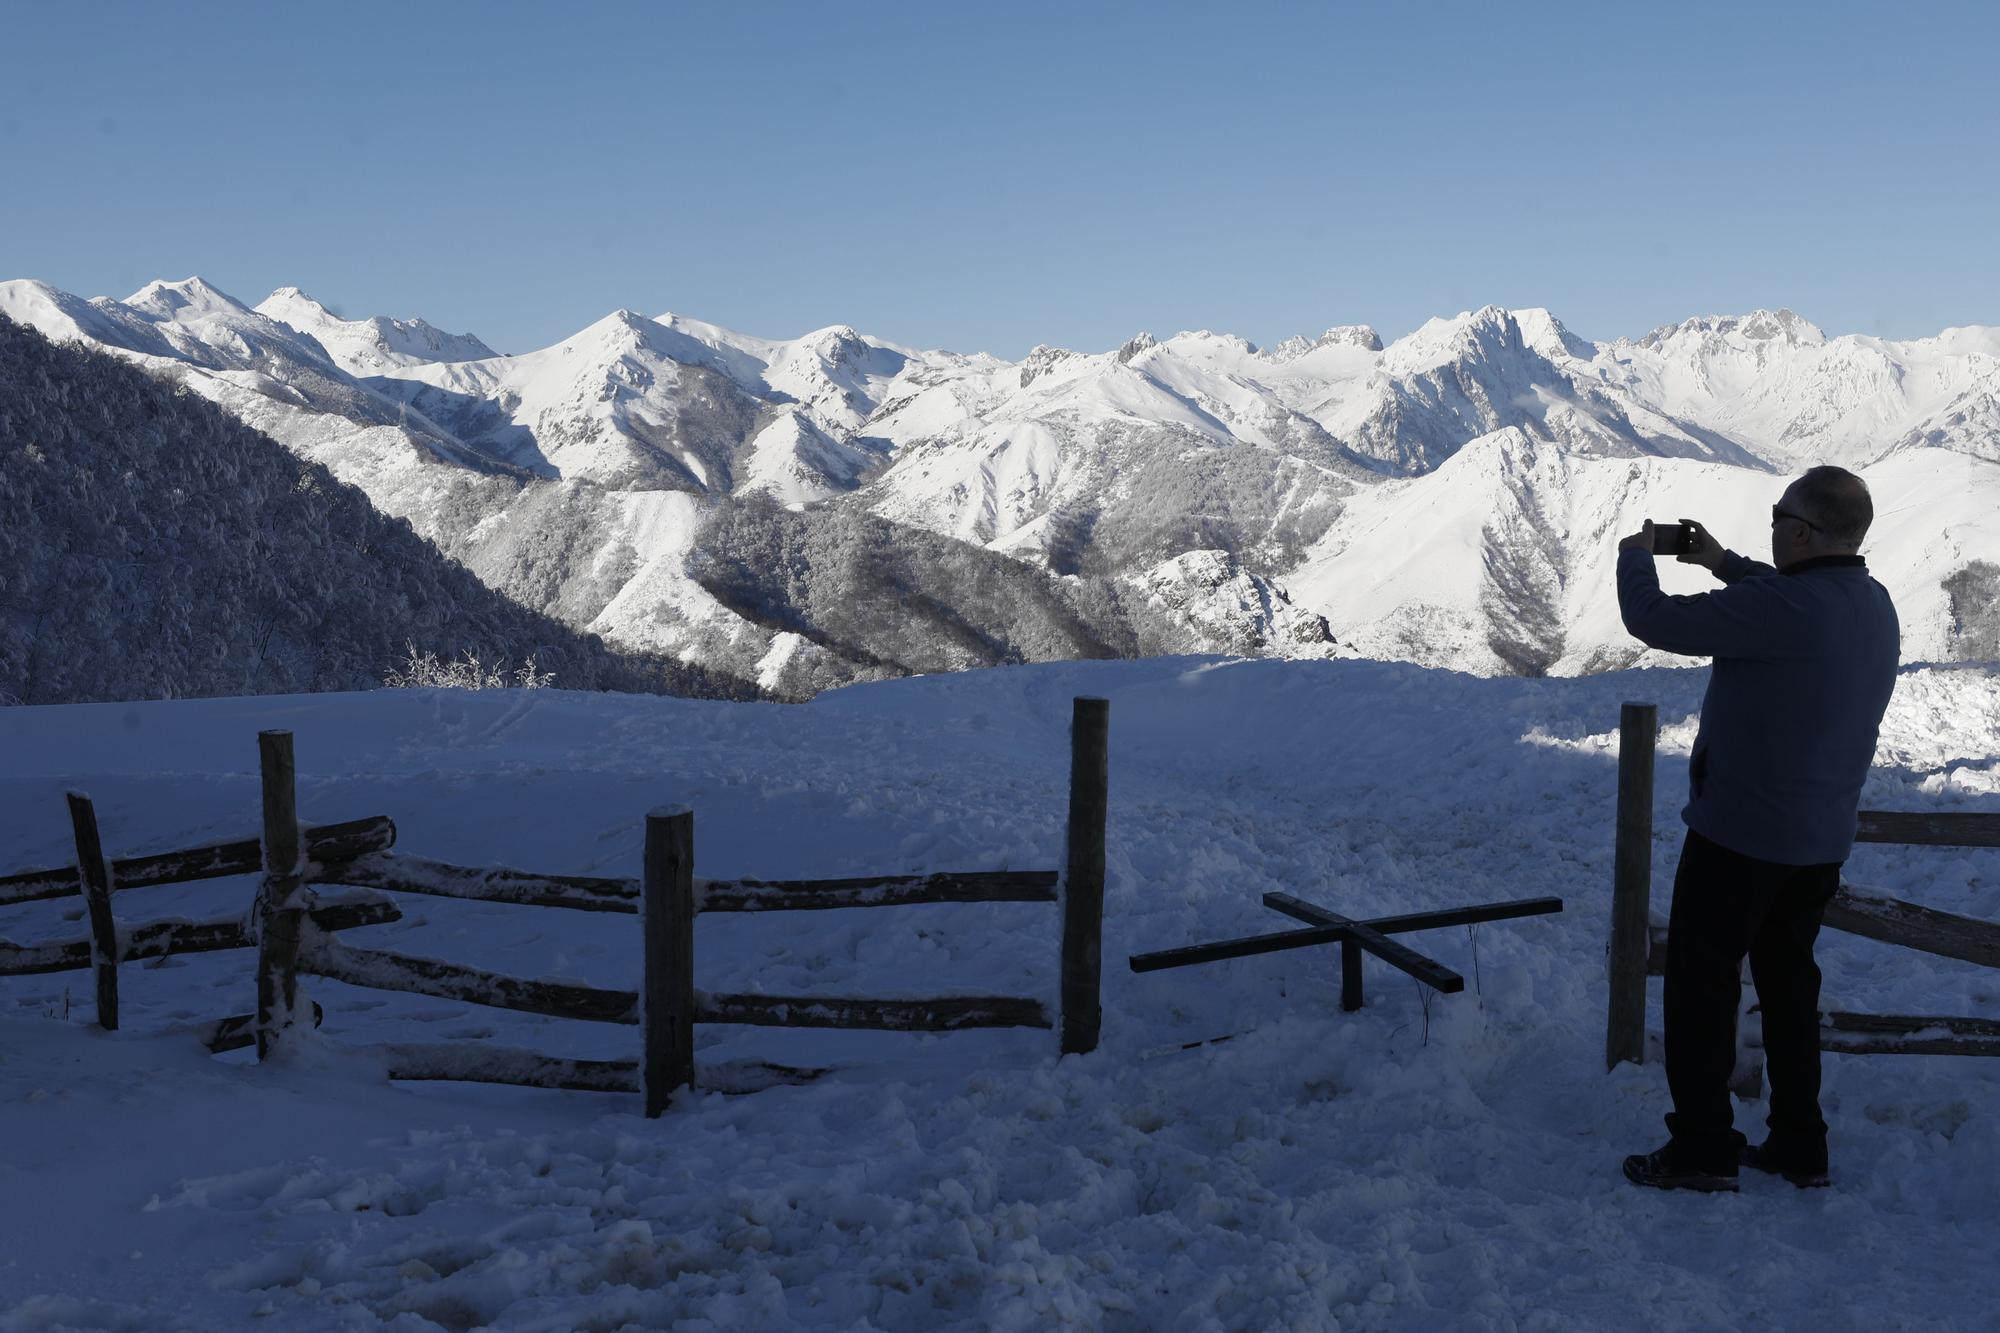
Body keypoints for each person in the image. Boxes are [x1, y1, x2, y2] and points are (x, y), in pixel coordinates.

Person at [1613, 466, 1900, 1193]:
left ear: (1801, 533)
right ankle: (1800, 1142)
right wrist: (1721, 560)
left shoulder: (1783, 610)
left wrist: (1633, 553)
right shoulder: (1874, 604)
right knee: (1789, 988)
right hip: (1818, 842)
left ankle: (1704, 1145)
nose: (1770, 526)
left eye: (1778, 516)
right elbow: (1783, 597)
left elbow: (1652, 620)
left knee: (1701, 988)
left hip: (1740, 836)